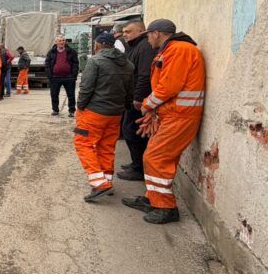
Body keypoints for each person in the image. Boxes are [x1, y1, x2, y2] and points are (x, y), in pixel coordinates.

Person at [122, 19, 206, 224]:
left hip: (180, 116)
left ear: (157, 33)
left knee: (156, 158)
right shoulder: (173, 49)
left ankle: (165, 207)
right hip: (173, 114)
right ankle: (153, 198)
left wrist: (147, 105)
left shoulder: (179, 50)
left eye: (148, 35)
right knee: (155, 157)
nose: (148, 39)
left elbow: (168, 86)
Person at [73, 32, 134, 202]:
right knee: (106, 147)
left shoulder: (95, 61)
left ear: (98, 45)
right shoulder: (128, 64)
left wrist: (80, 107)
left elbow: (86, 87)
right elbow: (130, 91)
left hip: (94, 112)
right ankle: (106, 181)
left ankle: (100, 184)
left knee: (83, 143)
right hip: (116, 113)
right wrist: (125, 107)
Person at [118, 20, 155, 181]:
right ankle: (136, 163)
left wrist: (138, 98)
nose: (124, 34)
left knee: (133, 131)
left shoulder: (144, 47)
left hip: (139, 99)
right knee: (130, 131)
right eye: (124, 32)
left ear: (141, 31)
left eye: (128, 31)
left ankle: (139, 168)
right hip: (132, 97)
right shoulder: (135, 46)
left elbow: (144, 75)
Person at [45, 35, 79, 117]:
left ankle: (71, 111)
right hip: (55, 78)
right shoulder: (51, 52)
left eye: (63, 40)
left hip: (69, 77)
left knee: (71, 95)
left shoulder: (72, 51)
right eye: (60, 41)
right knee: (54, 95)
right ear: (56, 42)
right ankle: (55, 110)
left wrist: (74, 75)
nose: (62, 42)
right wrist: (50, 76)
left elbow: (76, 64)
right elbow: (47, 64)